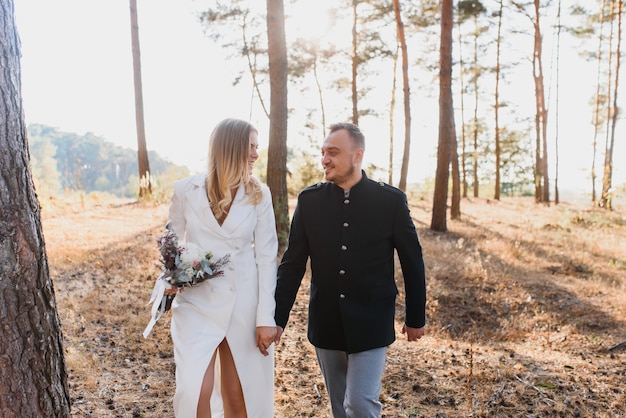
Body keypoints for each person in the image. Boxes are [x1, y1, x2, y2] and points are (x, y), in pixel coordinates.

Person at [274, 122, 427, 418]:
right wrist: (277, 318)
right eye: (322, 152)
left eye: (333, 152)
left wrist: (415, 316)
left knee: (358, 403)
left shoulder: (390, 201)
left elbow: (412, 260)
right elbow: (292, 264)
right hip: (326, 321)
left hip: (372, 320)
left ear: (357, 156)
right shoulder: (309, 201)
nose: (324, 159)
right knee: (340, 407)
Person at [165, 118, 279, 417]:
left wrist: (266, 317)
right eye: (251, 147)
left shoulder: (260, 195)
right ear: (231, 148)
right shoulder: (185, 190)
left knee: (240, 396)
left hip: (244, 304)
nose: (256, 154)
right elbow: (170, 246)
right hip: (196, 304)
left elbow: (267, 258)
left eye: (257, 147)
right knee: (194, 393)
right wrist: (171, 278)